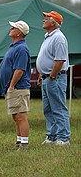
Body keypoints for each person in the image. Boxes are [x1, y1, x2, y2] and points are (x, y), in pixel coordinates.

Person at [36, 11, 70, 146]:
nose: (44, 19)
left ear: (54, 22)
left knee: (59, 108)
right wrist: (41, 74)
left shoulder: (59, 38)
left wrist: (51, 77)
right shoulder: (48, 37)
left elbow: (60, 60)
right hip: (47, 78)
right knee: (48, 109)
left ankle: (63, 138)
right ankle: (52, 136)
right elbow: (48, 58)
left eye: (47, 18)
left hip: (55, 78)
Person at [0, 20, 31, 149]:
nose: (11, 28)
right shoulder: (14, 46)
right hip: (14, 87)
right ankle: (19, 142)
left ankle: (24, 145)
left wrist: (11, 86)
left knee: (21, 116)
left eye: (14, 27)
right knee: (16, 116)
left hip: (18, 87)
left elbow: (19, 69)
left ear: (19, 33)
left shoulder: (21, 48)